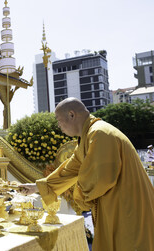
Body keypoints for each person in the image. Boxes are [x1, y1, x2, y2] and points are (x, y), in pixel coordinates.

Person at [20, 97, 154, 251]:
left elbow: (101, 178)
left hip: (129, 209)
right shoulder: (89, 136)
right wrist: (36, 187)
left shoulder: (100, 133)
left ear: (71, 114)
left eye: (58, 120)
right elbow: (70, 170)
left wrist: (79, 197)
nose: (58, 126)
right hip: (116, 206)